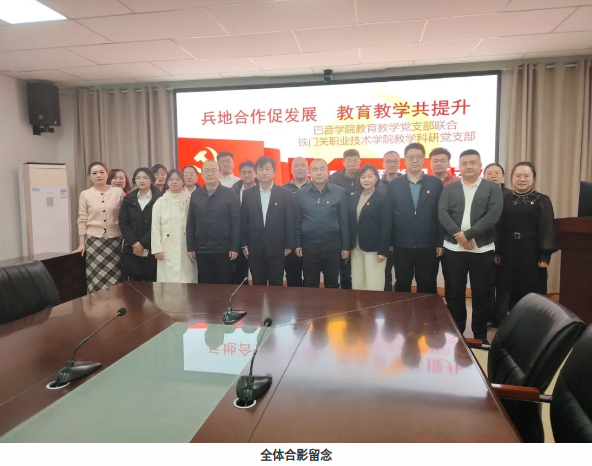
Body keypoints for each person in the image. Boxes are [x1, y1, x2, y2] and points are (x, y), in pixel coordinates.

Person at [438, 149, 503, 344]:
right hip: (453, 249)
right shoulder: (450, 188)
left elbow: (493, 215)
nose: (468, 166)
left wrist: (469, 234)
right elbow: (442, 212)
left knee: (481, 293)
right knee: (454, 292)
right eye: (464, 163)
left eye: (472, 163)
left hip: (481, 249)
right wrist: (459, 236)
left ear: (480, 166)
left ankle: (480, 335)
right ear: (459, 166)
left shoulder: (492, 188)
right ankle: (456, 331)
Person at [497, 161, 558, 311]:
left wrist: (545, 255)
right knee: (510, 290)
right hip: (509, 251)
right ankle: (513, 320)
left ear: (533, 178)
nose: (522, 179)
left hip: (531, 251)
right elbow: (498, 227)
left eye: (526, 176)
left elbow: (547, 228)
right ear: (511, 178)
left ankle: (532, 322)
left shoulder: (541, 199)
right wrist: (497, 251)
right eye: (518, 176)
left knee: (532, 291)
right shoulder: (504, 199)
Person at [388, 143, 443, 294]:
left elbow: (441, 214)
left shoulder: (435, 183)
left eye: (418, 157)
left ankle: (427, 311)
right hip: (401, 244)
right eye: (410, 157)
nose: (414, 160)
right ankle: (402, 310)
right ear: (405, 160)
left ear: (424, 160)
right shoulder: (394, 184)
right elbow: (390, 215)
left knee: (427, 284)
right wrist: (390, 242)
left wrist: (440, 242)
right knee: (402, 283)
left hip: (428, 244)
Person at [295, 159, 349, 289]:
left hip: (332, 246)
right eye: (315, 169)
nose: (318, 173)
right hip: (309, 246)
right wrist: (298, 244)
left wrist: (345, 246)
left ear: (328, 171)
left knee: (332, 284)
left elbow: (344, 221)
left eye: (322, 169)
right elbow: (297, 220)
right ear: (309, 172)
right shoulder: (301, 193)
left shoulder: (340, 192)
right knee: (310, 284)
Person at [241, 156, 294, 286]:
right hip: (254, 247)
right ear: (256, 172)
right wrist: (244, 244)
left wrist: (289, 244)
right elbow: (243, 220)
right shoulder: (248, 194)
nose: (264, 172)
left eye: (268, 169)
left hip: (277, 247)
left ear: (274, 172)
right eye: (261, 169)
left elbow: (289, 220)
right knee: (258, 284)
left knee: (276, 283)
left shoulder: (285, 193)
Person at [74, 162, 125, 293]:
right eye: (94, 173)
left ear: (107, 174)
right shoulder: (85, 194)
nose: (98, 175)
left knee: (116, 277)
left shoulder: (118, 192)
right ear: (90, 176)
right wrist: (82, 244)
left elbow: (125, 217)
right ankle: (96, 304)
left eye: (102, 172)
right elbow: (82, 219)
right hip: (94, 241)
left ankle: (116, 303)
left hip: (115, 240)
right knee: (96, 277)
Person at [186, 160, 240, 284]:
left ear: (220, 173)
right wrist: (190, 247)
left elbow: (236, 223)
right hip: (202, 249)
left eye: (213, 170)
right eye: (207, 171)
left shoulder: (230, 194)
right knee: (205, 286)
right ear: (202, 174)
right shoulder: (195, 195)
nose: (210, 174)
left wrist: (234, 247)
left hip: (224, 249)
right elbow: (191, 223)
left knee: (224, 285)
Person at [349, 164, 391, 291]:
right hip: (356, 247)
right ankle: (359, 304)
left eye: (370, 176)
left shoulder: (382, 198)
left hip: (374, 248)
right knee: (358, 282)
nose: (366, 180)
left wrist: (383, 251)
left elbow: (386, 226)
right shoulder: (354, 198)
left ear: (376, 178)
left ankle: (373, 305)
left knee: (374, 284)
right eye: (363, 177)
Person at [152, 170, 197, 283]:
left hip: (186, 246)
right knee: (167, 280)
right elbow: (155, 227)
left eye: (178, 179)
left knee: (188, 278)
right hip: (166, 246)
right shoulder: (160, 202)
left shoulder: (191, 200)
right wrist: (157, 249)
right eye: (171, 179)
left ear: (183, 181)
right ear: (167, 182)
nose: (174, 182)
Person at [119, 167, 161, 282]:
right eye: (138, 178)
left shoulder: (160, 199)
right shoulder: (128, 199)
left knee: (152, 284)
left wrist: (143, 243)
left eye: (145, 178)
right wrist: (134, 243)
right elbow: (123, 222)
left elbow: (160, 224)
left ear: (151, 180)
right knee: (133, 284)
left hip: (152, 247)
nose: (141, 180)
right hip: (132, 248)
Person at [429, 147, 460, 305]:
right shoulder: (426, 182)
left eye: (443, 160)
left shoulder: (458, 182)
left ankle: (451, 310)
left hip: (452, 236)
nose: (439, 163)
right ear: (430, 163)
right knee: (429, 276)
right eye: (435, 161)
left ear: (449, 163)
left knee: (452, 277)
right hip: (431, 236)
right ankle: (431, 308)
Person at [484, 162, 511, 327]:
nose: (493, 176)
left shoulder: (510, 196)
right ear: (484, 176)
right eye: (489, 173)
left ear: (503, 176)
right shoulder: (480, 195)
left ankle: (501, 318)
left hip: (506, 246)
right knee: (486, 284)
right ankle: (488, 316)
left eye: (497, 173)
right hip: (485, 245)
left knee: (504, 284)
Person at [329, 149, 360, 290]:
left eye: (355, 160)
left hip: (360, 225)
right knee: (344, 265)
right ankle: (346, 293)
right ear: (343, 162)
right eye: (349, 161)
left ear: (359, 161)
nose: (352, 163)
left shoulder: (365, 176)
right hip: (341, 225)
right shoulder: (334, 179)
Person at [283, 157, 310, 287]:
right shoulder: (283, 189)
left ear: (308, 169)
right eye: (296, 166)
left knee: (311, 277)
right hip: (290, 240)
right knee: (292, 277)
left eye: (302, 165)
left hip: (310, 239)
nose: (299, 168)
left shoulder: (314, 188)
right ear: (291, 169)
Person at [378, 150, 402, 290]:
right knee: (384, 273)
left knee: (402, 274)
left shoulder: (406, 183)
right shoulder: (376, 184)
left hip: (402, 237)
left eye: (395, 161)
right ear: (383, 163)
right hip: (383, 237)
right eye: (388, 161)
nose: (392, 164)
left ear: (399, 163)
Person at [231, 160, 258, 284]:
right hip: (239, 236)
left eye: (250, 172)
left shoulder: (263, 189)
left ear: (255, 173)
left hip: (257, 237)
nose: (247, 175)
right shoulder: (234, 190)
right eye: (243, 172)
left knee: (258, 273)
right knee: (240, 272)